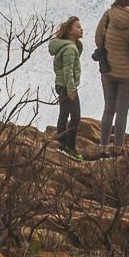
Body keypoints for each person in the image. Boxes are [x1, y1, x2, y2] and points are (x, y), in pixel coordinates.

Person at [94, 0, 129, 151]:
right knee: (122, 111)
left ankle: (103, 145)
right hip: (128, 74)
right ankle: (117, 148)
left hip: (108, 69)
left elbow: (98, 39)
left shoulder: (109, 14)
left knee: (108, 109)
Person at [49, 15, 84, 159]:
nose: (81, 29)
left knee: (63, 114)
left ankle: (62, 144)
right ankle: (69, 147)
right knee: (75, 117)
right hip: (66, 86)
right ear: (70, 30)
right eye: (78, 27)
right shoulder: (70, 49)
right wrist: (71, 89)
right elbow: (68, 70)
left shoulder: (68, 46)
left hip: (61, 85)